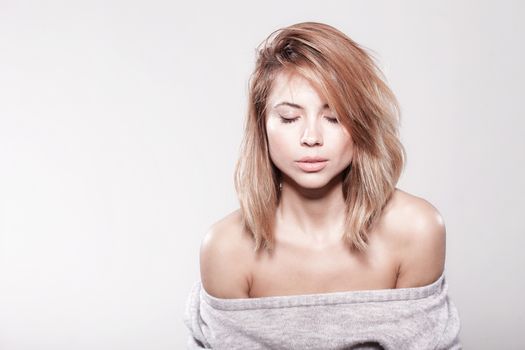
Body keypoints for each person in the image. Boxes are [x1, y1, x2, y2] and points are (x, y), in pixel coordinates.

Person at [184, 22, 461, 349]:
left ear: (361, 125)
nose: (311, 138)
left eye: (334, 118)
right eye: (289, 118)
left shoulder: (417, 230)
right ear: (262, 127)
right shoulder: (226, 249)